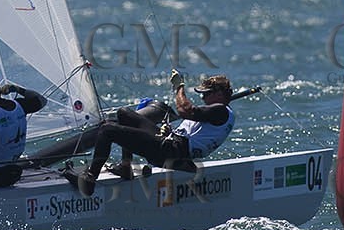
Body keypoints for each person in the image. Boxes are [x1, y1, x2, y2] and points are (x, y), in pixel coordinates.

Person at [74, 71, 237, 197]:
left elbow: (185, 110)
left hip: (170, 152)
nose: (203, 97)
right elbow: (192, 132)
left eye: (206, 93)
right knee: (124, 113)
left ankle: (90, 179)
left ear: (219, 94)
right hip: (172, 145)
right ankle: (125, 167)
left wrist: (179, 87)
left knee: (107, 129)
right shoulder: (216, 112)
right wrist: (169, 130)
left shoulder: (220, 111)